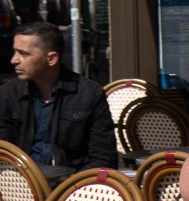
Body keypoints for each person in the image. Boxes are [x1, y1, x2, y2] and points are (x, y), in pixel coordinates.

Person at [0, 20, 116, 170]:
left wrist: (77, 187)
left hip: (72, 185)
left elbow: (103, 156)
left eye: (23, 54)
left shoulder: (88, 94)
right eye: (15, 52)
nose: (14, 60)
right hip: (18, 185)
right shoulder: (7, 94)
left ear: (51, 59)